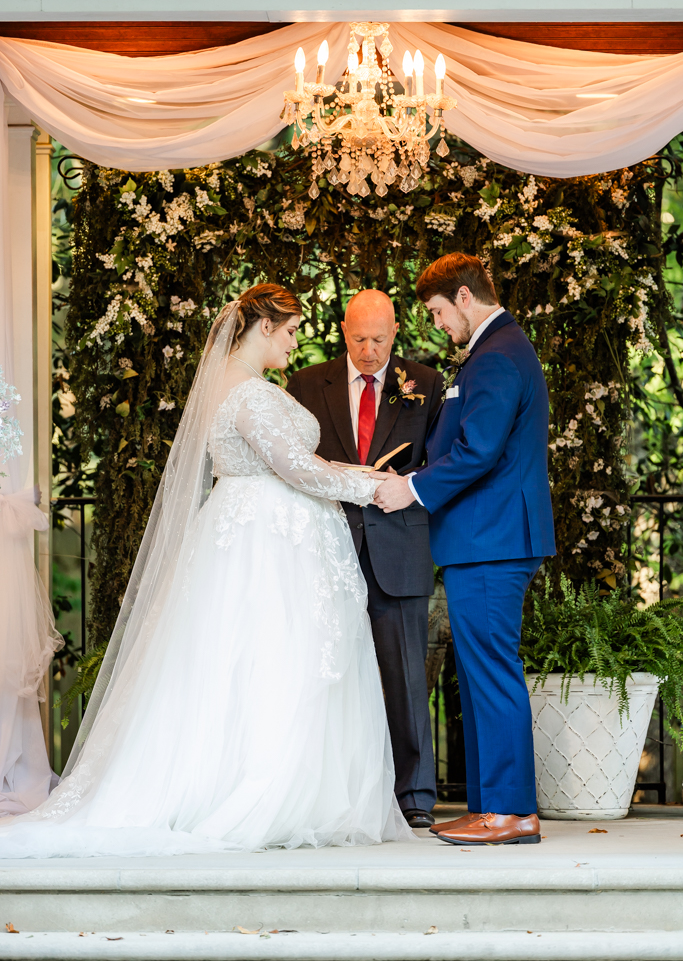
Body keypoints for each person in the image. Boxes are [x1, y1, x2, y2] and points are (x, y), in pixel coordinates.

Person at [0, 285, 411, 857]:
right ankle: (263, 788)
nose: (296, 343)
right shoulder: (250, 395)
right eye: (291, 331)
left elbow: (297, 463)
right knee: (273, 657)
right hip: (268, 542)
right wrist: (374, 487)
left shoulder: (231, 385)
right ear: (263, 327)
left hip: (248, 529)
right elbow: (294, 470)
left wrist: (355, 468)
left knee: (238, 658)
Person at [372, 254, 555, 847]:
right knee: (477, 677)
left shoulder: (498, 356)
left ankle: (510, 811)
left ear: (465, 296)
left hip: (492, 541)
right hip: (485, 539)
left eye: (436, 311)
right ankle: (489, 806)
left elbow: (478, 452)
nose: (437, 324)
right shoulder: (494, 350)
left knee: (491, 673)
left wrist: (412, 489)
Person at [287, 290, 442, 828]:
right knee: (327, 675)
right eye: (359, 339)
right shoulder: (306, 383)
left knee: (405, 676)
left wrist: (411, 484)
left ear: (395, 331)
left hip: (398, 545)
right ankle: (331, 794)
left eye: (379, 339)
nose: (370, 350)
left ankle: (416, 796)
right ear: (343, 330)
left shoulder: (425, 382)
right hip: (330, 548)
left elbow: (438, 464)